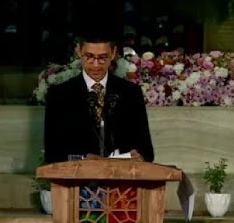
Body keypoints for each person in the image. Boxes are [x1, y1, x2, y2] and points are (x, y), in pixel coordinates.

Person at [43, 29, 154, 164]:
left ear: (113, 53)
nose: (96, 65)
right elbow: (52, 155)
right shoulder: (59, 95)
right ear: (78, 51)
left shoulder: (131, 93)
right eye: (89, 56)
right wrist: (85, 160)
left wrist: (139, 157)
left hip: (123, 180)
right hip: (76, 180)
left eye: (102, 58)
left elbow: (147, 152)